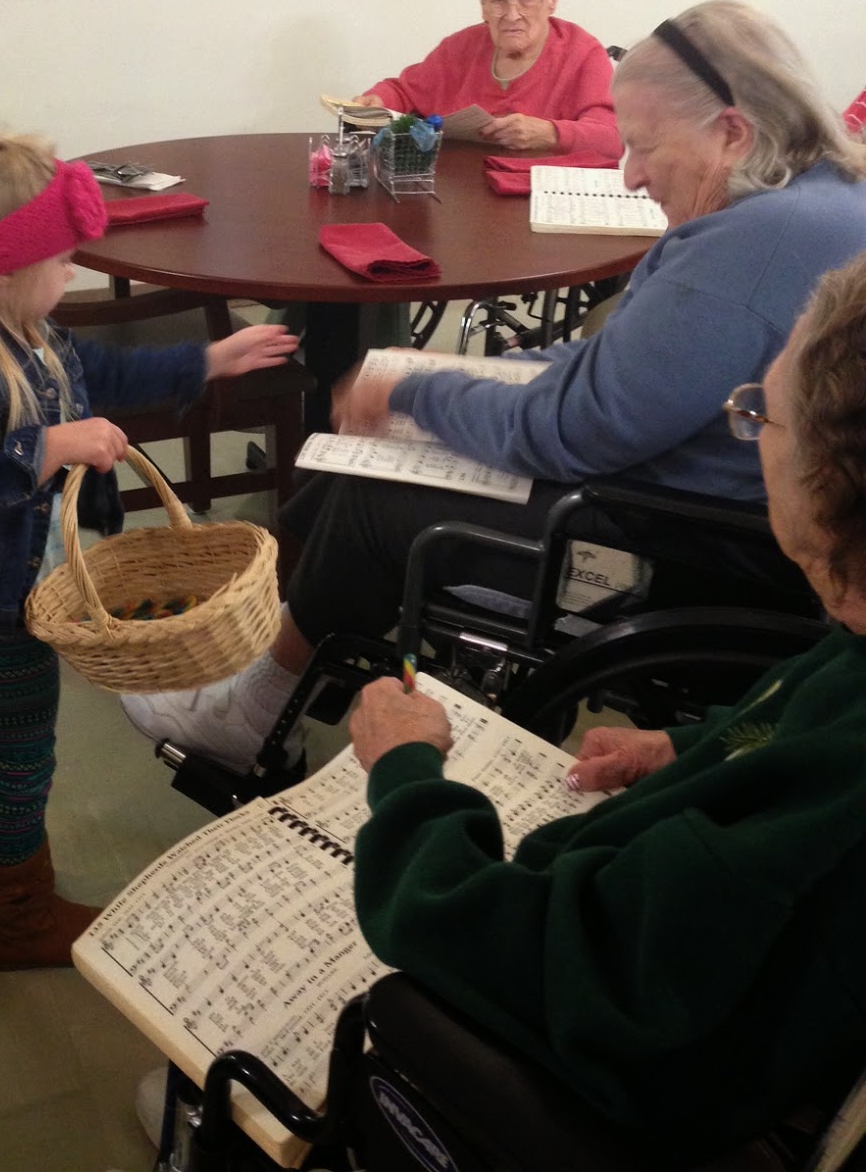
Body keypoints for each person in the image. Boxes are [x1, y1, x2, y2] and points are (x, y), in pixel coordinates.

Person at [122, 0, 866, 773]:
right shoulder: (815, 199)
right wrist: (449, 375)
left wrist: (415, 392)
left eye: (645, 146)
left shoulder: (751, 247)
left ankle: (252, 711)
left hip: (681, 546)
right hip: (704, 510)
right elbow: (616, 365)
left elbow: (577, 429)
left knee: (375, 497)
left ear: (733, 132)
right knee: (339, 465)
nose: (631, 173)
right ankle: (286, 675)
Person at [349, 250, 866, 1164]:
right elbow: (789, 730)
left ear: (831, 485)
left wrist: (406, 774)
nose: (747, 430)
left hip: (620, 1088)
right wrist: (693, 748)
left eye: (758, 415)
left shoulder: (824, 813)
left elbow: (516, 951)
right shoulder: (851, 646)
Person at [0, 130, 297, 970]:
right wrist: (45, 449)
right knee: (24, 760)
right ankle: (20, 919)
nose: (72, 273)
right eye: (59, 259)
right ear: (4, 268)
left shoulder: (35, 335)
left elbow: (112, 376)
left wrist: (209, 360)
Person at [354, 0, 622, 159]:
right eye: (499, 1)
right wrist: (379, 100)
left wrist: (551, 133)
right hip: (461, 192)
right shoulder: (461, 47)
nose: (512, 15)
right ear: (483, 5)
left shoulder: (583, 53)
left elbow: (612, 140)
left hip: (541, 197)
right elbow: (405, 91)